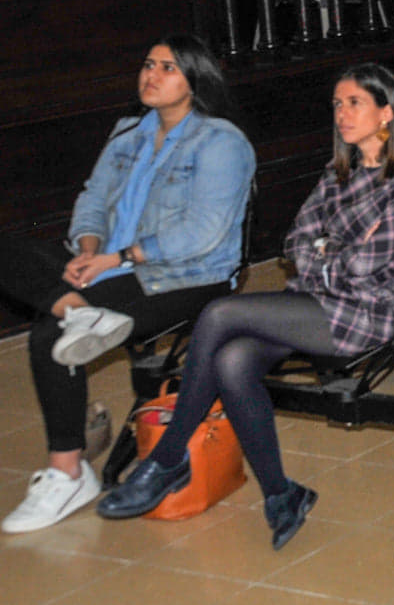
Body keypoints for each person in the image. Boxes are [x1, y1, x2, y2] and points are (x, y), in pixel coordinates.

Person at [98, 65, 394, 549]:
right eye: (337, 104)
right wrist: (332, 253)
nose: (342, 114)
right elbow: (294, 243)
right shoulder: (336, 173)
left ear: (386, 112)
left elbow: (368, 266)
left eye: (354, 103)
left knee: (220, 314)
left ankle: (168, 458)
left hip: (371, 311)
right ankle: (281, 493)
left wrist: (324, 253)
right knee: (232, 362)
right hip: (315, 302)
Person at [0, 37, 255, 534]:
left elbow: (203, 232)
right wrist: (89, 250)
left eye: (168, 68)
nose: (151, 75)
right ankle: (77, 309)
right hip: (107, 264)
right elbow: (93, 199)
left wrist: (118, 257)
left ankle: (68, 473)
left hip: (186, 276)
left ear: (196, 80)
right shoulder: (127, 133)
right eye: (148, 64)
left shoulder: (222, 142)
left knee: (50, 336)